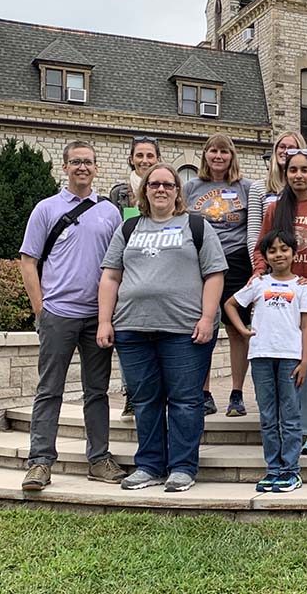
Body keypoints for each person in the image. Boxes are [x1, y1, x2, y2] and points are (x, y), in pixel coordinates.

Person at [98, 163, 227, 492]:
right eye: (154, 184)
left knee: (185, 399)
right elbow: (111, 276)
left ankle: (183, 466)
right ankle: (150, 465)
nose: (161, 189)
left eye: (168, 185)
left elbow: (214, 274)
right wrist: (104, 320)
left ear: (177, 191)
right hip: (132, 330)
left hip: (184, 331)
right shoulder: (128, 228)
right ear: (145, 190)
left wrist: (207, 318)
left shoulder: (196, 226)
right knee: (145, 400)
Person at [18, 141, 127, 491]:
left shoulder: (109, 212)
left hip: (98, 317)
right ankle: (40, 463)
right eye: (76, 162)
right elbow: (28, 260)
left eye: (89, 162)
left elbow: (117, 266)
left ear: (97, 168)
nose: (83, 167)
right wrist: (41, 309)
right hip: (58, 314)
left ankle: (98, 459)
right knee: (50, 389)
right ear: (64, 167)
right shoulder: (46, 209)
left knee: (97, 391)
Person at [255, 148, 307, 455]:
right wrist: (259, 275)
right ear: (285, 174)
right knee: (285, 365)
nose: (299, 175)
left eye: (304, 170)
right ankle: (288, 425)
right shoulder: (275, 209)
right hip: (278, 299)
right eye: (293, 170)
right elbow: (262, 249)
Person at [225, 229, 307, 493]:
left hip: (290, 358)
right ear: (265, 256)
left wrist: (305, 361)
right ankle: (273, 470)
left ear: (294, 253)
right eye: (273, 250)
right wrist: (242, 330)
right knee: (267, 415)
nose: (279, 254)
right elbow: (230, 304)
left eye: (284, 249)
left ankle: (291, 471)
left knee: (290, 415)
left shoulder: (302, 286)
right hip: (261, 355)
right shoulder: (258, 283)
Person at [183, 134, 254, 418]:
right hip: (200, 262)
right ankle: (204, 391)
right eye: (213, 151)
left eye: (224, 151)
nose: (218, 156)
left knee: (238, 329)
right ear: (205, 155)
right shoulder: (191, 187)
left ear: (232, 156)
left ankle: (236, 393)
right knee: (204, 329)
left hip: (236, 262)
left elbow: (255, 227)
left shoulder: (246, 187)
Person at [111, 135, 163, 421]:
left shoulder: (166, 189)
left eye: (150, 156)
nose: (144, 160)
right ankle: (131, 394)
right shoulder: (120, 193)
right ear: (131, 158)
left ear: (158, 159)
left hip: (158, 268)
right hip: (129, 272)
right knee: (129, 337)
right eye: (139, 155)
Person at [247, 131, 307, 262]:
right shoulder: (258, 188)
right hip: (272, 262)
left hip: (304, 260)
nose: (285, 151)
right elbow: (254, 235)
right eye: (282, 147)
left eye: (291, 148)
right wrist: (260, 266)